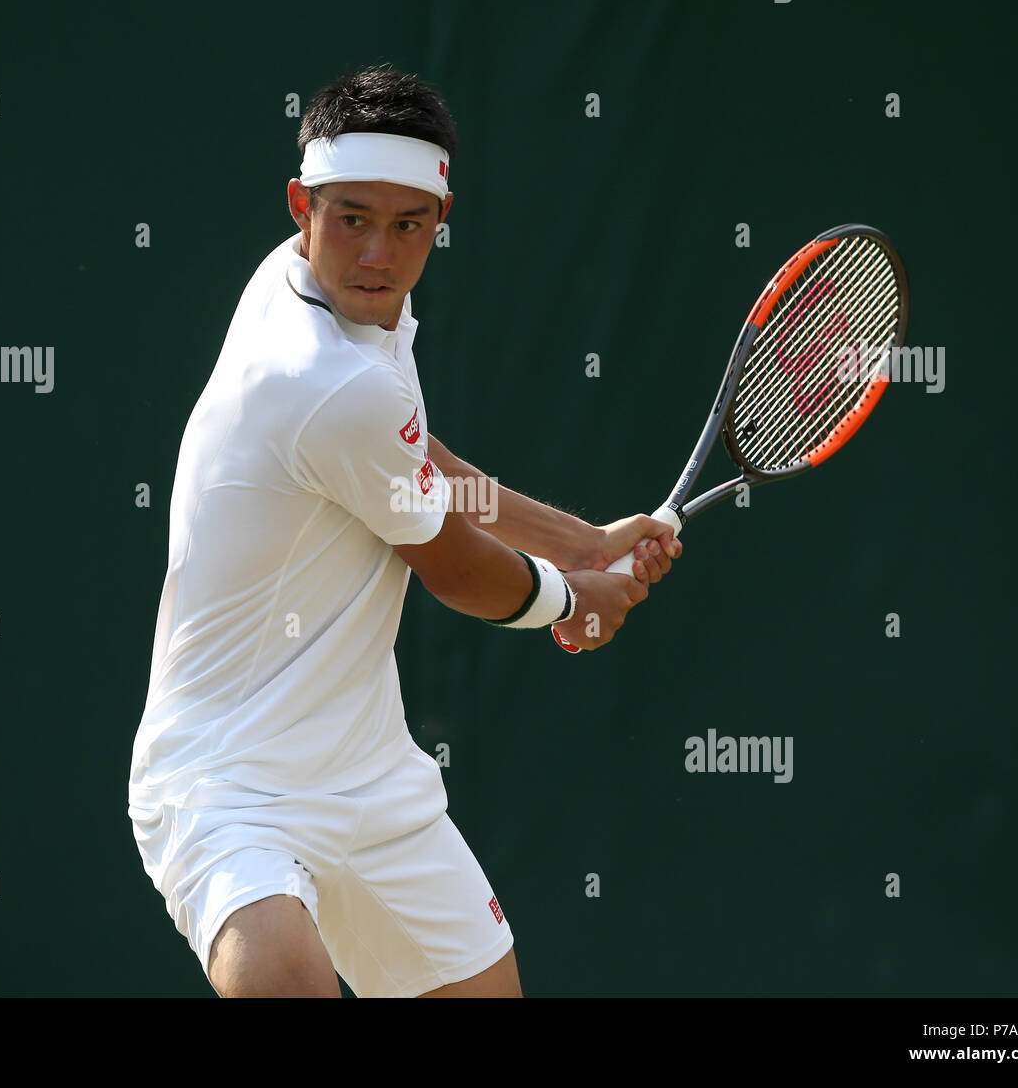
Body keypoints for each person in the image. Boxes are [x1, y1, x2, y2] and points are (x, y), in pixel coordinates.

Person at [128, 64, 682, 999]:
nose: (378, 255)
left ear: (440, 216)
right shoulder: (322, 380)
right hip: (230, 789)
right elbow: (456, 567)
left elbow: (410, 461)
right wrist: (570, 598)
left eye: (406, 225)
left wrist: (579, 540)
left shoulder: (301, 288)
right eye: (351, 219)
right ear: (303, 202)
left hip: (374, 779)